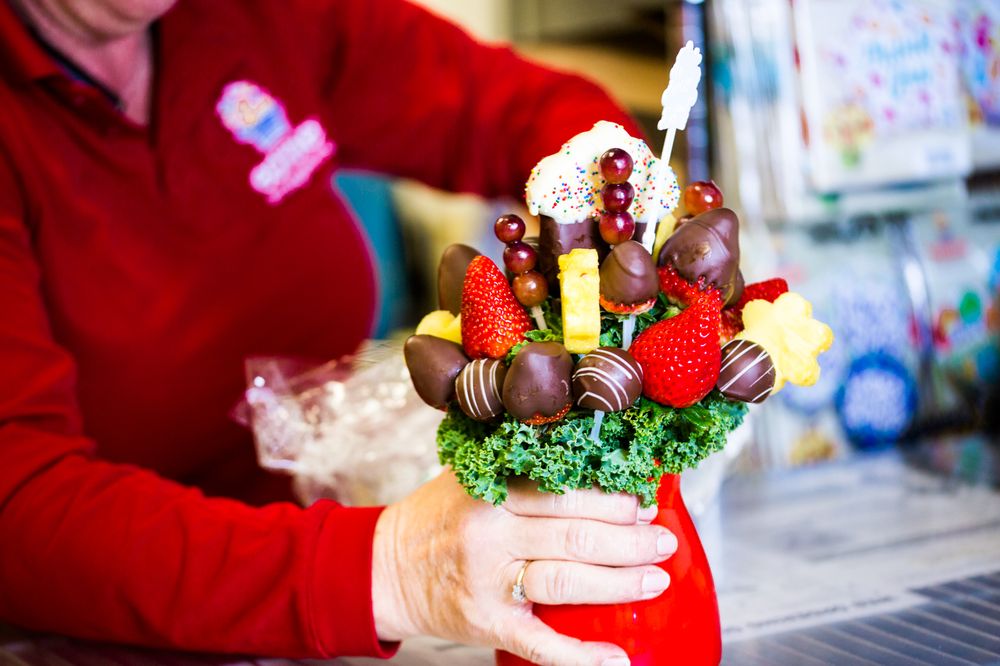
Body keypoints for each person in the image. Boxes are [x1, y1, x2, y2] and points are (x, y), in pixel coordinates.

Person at [0, 1, 678, 664]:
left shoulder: (263, 17)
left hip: (316, 565)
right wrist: (387, 570)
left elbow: (515, 108)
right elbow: (20, 510)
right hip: (110, 615)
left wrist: (617, 219)